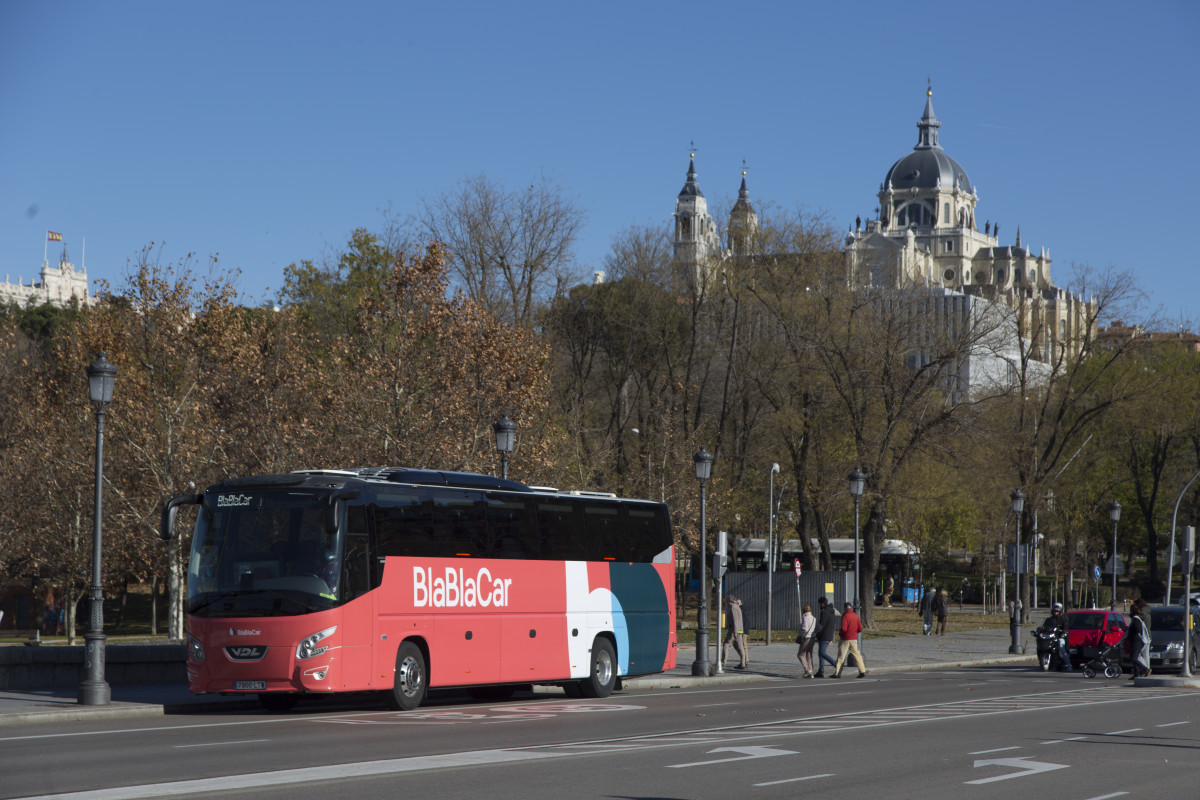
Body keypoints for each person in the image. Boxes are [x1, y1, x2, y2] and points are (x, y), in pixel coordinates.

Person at [832, 601, 869, 678]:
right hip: (853, 639)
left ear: (845, 608)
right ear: (851, 607)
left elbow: (844, 629)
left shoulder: (845, 616)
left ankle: (837, 673)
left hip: (845, 639)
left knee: (841, 656)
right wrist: (854, 632)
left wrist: (840, 634)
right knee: (857, 655)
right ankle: (862, 671)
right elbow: (860, 628)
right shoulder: (856, 616)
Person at [1039, 602, 1072, 671]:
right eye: (1054, 611)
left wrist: (1063, 632)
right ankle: (1048, 662)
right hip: (1052, 636)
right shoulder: (1049, 619)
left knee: (1061, 648)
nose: (1055, 613)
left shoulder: (1064, 618)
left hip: (1060, 636)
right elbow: (1045, 627)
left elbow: (1066, 627)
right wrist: (1041, 631)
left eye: (1057, 611)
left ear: (1060, 611)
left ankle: (1069, 665)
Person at [812, 596, 839, 677]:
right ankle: (821, 671)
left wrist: (817, 633)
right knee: (821, 654)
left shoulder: (824, 612)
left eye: (819, 604)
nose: (819, 605)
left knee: (822, 653)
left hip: (824, 635)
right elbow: (832, 625)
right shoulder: (832, 612)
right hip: (829, 635)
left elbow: (822, 625)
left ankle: (836, 664)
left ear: (822, 603)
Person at [722, 595, 748, 669]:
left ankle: (723, 662)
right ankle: (743, 663)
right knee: (739, 646)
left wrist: (735, 632)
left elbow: (735, 620)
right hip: (740, 630)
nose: (726, 602)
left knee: (726, 644)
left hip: (734, 630)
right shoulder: (737, 607)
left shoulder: (733, 607)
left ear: (730, 601)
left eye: (726, 600)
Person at [1128, 600, 1151, 679]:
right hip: (1138, 640)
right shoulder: (1137, 618)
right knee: (1136, 657)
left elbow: (1139, 630)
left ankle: (1145, 669)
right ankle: (1138, 673)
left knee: (1135, 657)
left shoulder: (1136, 619)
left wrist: (1132, 632)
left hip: (1137, 641)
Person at [795, 603, 817, 678]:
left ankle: (807, 670)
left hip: (806, 637)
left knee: (800, 654)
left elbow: (805, 628)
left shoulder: (805, 618)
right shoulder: (814, 618)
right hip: (812, 637)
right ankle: (811, 672)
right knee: (809, 655)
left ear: (803, 611)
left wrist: (801, 634)